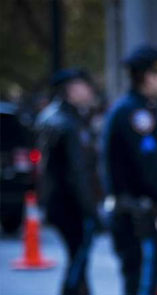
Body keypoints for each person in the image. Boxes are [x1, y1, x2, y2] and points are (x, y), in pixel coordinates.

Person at [101, 45, 157, 295]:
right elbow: (150, 170)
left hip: (138, 213)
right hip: (138, 215)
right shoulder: (136, 113)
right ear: (149, 77)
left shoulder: (139, 109)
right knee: (142, 284)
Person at [36, 69, 98, 295]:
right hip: (71, 205)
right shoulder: (66, 122)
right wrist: (91, 209)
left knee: (78, 260)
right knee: (78, 260)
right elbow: (77, 172)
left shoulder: (57, 117)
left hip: (61, 202)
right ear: (72, 89)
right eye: (84, 85)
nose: (90, 90)